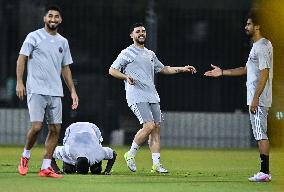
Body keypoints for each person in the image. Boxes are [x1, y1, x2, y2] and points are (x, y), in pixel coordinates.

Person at [109, 23, 197, 173]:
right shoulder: (127, 52)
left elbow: (164, 69)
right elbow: (112, 70)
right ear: (132, 35)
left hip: (152, 95)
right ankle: (130, 154)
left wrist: (183, 68)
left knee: (156, 128)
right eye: (138, 32)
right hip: (136, 94)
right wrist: (125, 77)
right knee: (148, 126)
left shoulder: (150, 54)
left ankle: (156, 164)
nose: (141, 33)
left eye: (143, 31)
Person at [204, 10, 273, 182]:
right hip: (257, 97)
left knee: (260, 134)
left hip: (259, 98)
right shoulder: (257, 46)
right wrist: (222, 72)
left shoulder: (262, 46)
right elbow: (245, 70)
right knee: (260, 133)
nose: (246, 27)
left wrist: (256, 98)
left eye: (249, 24)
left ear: (257, 26)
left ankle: (264, 172)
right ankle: (264, 171)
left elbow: (265, 73)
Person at [16, 5, 79, 178]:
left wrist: (72, 91)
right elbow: (21, 59)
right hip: (36, 89)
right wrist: (19, 82)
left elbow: (65, 68)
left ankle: (45, 167)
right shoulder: (33, 36)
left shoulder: (63, 42)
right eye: (50, 16)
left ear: (60, 20)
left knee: (55, 129)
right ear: (45, 18)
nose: (53, 19)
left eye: (56, 16)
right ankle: (25, 156)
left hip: (56, 92)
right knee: (36, 127)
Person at [51, 122, 117, 175]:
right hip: (73, 129)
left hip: (92, 130)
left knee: (96, 170)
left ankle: (95, 166)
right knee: (67, 170)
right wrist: (57, 171)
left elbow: (114, 154)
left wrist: (106, 171)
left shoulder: (96, 154)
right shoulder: (67, 152)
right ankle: (68, 166)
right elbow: (50, 153)